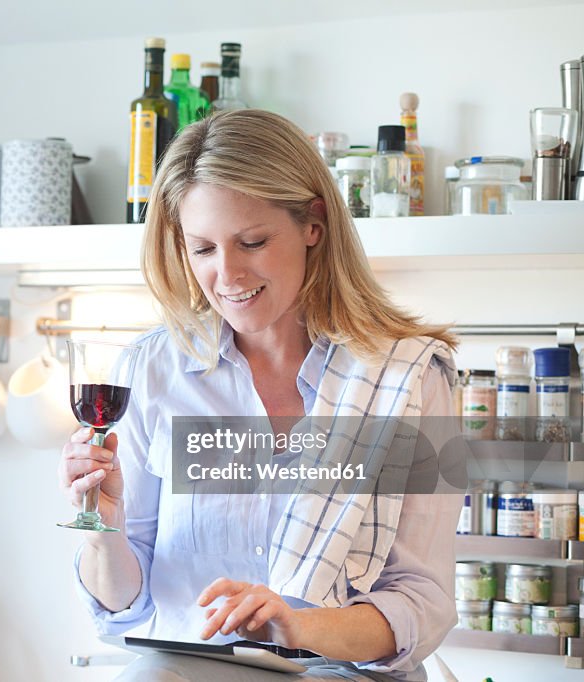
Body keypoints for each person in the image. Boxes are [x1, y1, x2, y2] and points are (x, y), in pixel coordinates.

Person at [58, 109, 464, 681]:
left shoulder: (407, 376)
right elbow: (127, 607)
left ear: (313, 225)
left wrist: (296, 628)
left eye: (252, 241)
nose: (227, 274)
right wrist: (105, 523)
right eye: (202, 249)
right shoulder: (151, 370)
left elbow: (422, 601)